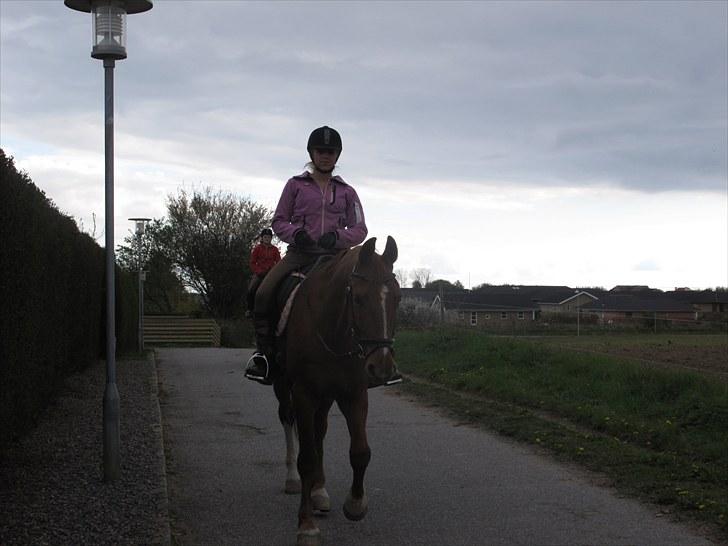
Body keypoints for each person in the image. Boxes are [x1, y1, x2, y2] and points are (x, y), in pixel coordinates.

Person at [244, 126, 368, 385]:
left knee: (366, 294)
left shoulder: (348, 192)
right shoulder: (294, 186)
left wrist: (337, 238)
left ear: (337, 155)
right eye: (320, 151)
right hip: (299, 255)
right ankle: (264, 356)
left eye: (330, 152)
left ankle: (372, 356)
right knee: (263, 293)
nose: (325, 156)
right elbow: (279, 221)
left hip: (335, 258)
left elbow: (360, 229)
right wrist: (296, 233)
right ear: (311, 153)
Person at [245, 228, 281, 318]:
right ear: (262, 238)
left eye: (269, 237)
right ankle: (250, 309)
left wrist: (275, 272)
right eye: (265, 237)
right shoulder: (257, 249)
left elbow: (279, 262)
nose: (267, 239)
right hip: (260, 273)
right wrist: (258, 271)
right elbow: (252, 262)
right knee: (251, 289)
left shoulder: (275, 250)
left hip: (271, 273)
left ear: (271, 238)